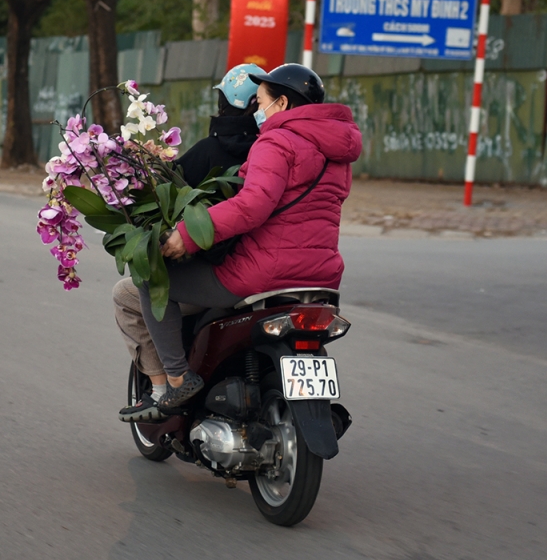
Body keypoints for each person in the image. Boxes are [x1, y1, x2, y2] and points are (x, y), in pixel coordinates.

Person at [137, 63, 363, 412]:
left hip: (264, 272)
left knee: (152, 279)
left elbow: (252, 205)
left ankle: (179, 380)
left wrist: (187, 236)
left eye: (260, 102)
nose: (257, 111)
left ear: (283, 104)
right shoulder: (337, 153)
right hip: (322, 276)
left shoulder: (276, 140)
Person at [117, 64, 264, 422]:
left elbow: (161, 208)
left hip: (235, 276)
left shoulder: (208, 154)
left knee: (136, 287)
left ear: (223, 104)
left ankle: (167, 386)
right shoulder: (279, 153)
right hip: (291, 273)